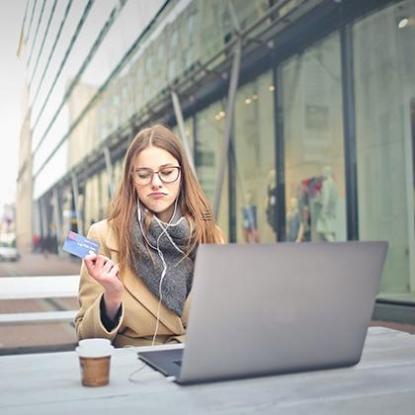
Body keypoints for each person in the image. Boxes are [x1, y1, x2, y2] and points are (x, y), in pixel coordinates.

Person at [75, 125, 224, 347]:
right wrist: (112, 299)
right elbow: (84, 336)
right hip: (134, 368)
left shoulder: (211, 235)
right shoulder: (101, 234)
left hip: (197, 359)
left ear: (182, 175)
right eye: (144, 175)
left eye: (167, 172)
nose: (156, 183)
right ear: (131, 180)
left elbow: (222, 315)